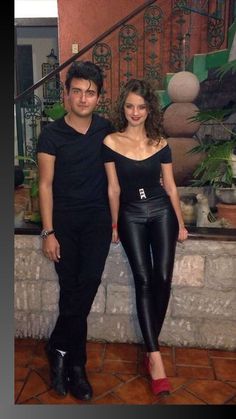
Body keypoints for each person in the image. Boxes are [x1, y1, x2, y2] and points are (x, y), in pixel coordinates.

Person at [102, 78, 188, 396]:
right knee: (143, 280)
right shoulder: (110, 142)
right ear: (122, 108)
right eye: (129, 106)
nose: (135, 112)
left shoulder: (160, 143)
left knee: (162, 277)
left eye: (141, 106)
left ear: (149, 108)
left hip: (161, 211)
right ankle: (155, 358)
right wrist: (113, 224)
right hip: (130, 215)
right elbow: (113, 189)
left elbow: (170, 186)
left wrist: (179, 222)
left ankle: (150, 348)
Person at [36, 61, 114, 401]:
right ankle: (75, 365)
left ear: (99, 98)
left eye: (91, 92)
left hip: (97, 225)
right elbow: (44, 184)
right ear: (67, 95)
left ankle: (58, 350)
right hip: (64, 226)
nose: (84, 98)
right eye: (77, 91)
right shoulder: (51, 134)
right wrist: (48, 232)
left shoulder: (106, 129)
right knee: (71, 291)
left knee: (85, 290)